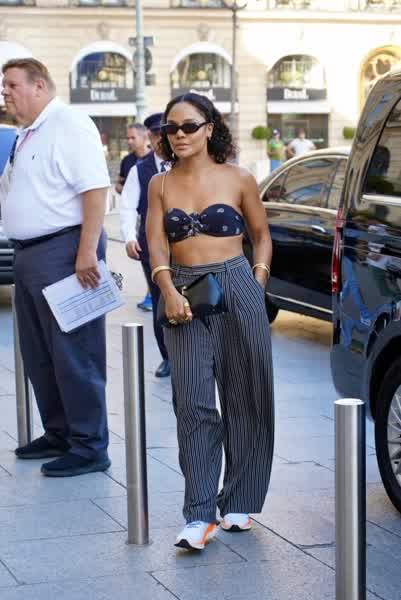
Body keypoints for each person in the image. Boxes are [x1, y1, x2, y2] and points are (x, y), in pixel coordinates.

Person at [146, 92, 274, 550]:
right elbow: (156, 243)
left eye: (188, 126)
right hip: (183, 292)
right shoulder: (160, 185)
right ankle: (199, 514)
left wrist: (256, 283)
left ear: (209, 128)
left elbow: (261, 235)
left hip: (237, 284)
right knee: (192, 401)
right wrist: (166, 289)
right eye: (170, 128)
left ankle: (239, 499)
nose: (178, 135)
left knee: (245, 395)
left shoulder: (239, 178)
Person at [1, 58, 111, 477]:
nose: (5, 92)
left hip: (64, 251)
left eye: (12, 85)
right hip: (30, 254)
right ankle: (60, 432)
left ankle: (89, 445)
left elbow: (95, 189)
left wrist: (87, 251)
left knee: (75, 352)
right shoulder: (27, 133)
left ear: (39, 86)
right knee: (40, 354)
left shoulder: (69, 123)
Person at [120, 113, 171, 378]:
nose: (161, 138)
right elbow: (128, 206)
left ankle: (193, 354)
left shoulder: (184, 163)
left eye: (165, 132)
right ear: (150, 136)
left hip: (186, 246)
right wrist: (129, 237)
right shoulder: (139, 169)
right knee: (161, 301)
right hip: (151, 247)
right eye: (156, 134)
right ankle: (168, 357)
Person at [116, 123, 153, 312]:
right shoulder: (128, 161)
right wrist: (127, 189)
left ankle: (152, 294)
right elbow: (120, 185)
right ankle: (152, 293)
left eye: (133, 137)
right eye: (128, 138)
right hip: (140, 216)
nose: (129, 141)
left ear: (145, 137)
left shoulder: (158, 158)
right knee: (147, 256)